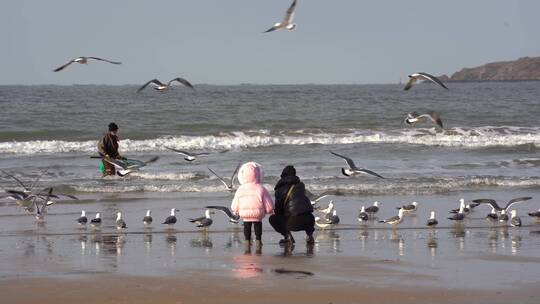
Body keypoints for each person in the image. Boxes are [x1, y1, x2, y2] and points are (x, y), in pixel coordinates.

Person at [231, 162, 274, 253]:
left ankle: (247, 241)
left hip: (245, 213)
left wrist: (235, 209)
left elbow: (235, 202)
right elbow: (268, 202)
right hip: (258, 213)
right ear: (258, 174)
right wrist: (269, 210)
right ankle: (258, 241)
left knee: (247, 225)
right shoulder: (261, 188)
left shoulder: (241, 189)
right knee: (257, 224)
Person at [269, 165, 315, 244]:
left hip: (294, 223)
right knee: (304, 212)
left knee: (273, 219)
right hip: (310, 220)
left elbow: (278, 210)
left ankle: (288, 237)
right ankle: (309, 235)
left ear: (283, 176)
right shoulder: (301, 186)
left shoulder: (280, 189)